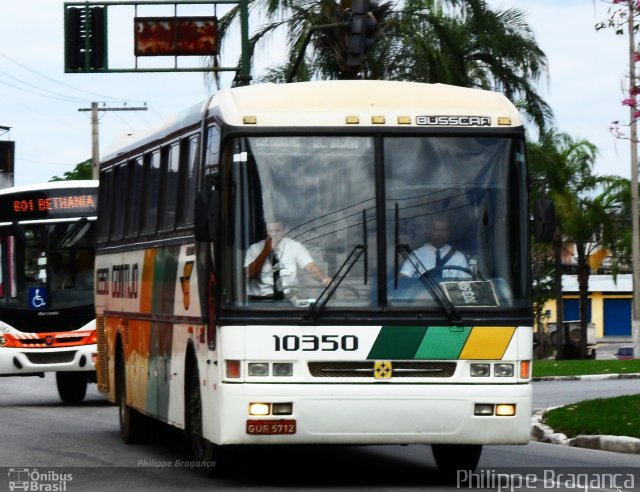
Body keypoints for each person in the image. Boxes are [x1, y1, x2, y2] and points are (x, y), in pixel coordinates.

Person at [245, 221, 331, 299]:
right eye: (270, 231)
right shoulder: (254, 249)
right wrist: (265, 251)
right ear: (265, 232)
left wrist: (323, 278)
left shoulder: (294, 247)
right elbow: (246, 276)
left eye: (277, 230)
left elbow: (310, 266)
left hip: (288, 298)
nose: (274, 234)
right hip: (260, 300)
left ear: (284, 231)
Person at [399, 217, 470, 281]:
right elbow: (403, 279)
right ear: (430, 231)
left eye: (444, 230)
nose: (440, 234)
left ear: (449, 233)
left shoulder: (459, 257)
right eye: (437, 230)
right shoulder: (416, 255)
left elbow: (467, 283)